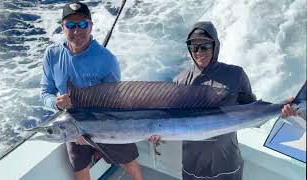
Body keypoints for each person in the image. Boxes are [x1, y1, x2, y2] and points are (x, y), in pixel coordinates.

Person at [149, 21, 297, 180]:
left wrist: (282, 108)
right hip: (192, 164)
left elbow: (252, 109)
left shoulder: (235, 74)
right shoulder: (180, 81)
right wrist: (155, 133)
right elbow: (169, 119)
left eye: (204, 46)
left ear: (215, 46)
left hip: (227, 162)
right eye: (194, 47)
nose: (199, 52)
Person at [40, 2, 143, 180]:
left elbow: (113, 102)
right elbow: (45, 92)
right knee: (79, 168)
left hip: (105, 122)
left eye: (82, 24)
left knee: (128, 162)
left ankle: (100, 152)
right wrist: (55, 103)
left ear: (91, 26)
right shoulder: (52, 54)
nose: (77, 31)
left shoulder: (107, 60)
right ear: (62, 28)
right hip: (72, 124)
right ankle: (97, 152)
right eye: (71, 25)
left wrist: (90, 130)